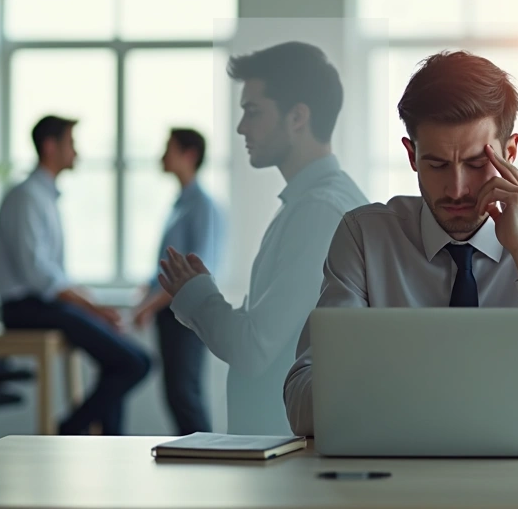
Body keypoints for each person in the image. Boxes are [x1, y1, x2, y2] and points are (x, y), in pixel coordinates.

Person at [265, 50, 518, 438]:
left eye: (475, 163)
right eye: (437, 164)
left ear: (511, 152)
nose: (456, 189)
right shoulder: (364, 237)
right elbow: (301, 409)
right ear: (412, 155)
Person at [153, 42, 367, 435]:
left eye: (252, 111)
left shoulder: (317, 211)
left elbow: (254, 350)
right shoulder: (315, 203)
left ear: (297, 117)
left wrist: (197, 296)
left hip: (286, 459)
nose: (241, 127)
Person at [0, 115, 151, 435]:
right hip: (27, 309)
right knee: (134, 362)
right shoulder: (26, 197)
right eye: (71, 144)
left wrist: (91, 304)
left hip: (45, 305)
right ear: (50, 147)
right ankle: (69, 429)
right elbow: (40, 276)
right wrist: (91, 308)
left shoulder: (44, 197)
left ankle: (107, 443)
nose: (76, 152)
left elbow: (56, 274)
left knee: (123, 360)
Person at [131, 128, 224, 435]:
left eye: (168, 148)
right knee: (175, 393)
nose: (162, 156)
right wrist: (147, 291)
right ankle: (194, 459)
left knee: (185, 393)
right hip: (170, 314)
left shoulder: (202, 205)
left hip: (187, 316)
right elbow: (170, 265)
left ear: (189, 155)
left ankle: (207, 459)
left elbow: (195, 270)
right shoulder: (179, 204)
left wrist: (148, 306)